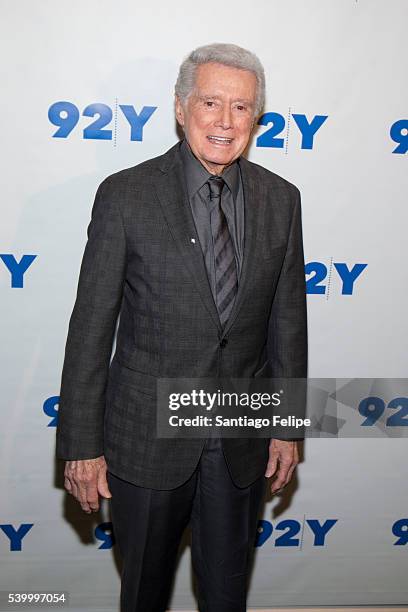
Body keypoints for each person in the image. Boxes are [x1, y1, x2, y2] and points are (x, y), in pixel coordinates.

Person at [56, 42, 308, 612]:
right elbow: (91, 330)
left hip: (240, 441)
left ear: (256, 117)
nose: (225, 121)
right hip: (147, 439)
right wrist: (81, 446)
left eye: (241, 108)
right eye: (211, 103)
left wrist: (289, 427)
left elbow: (288, 325)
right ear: (180, 107)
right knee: (143, 593)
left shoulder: (282, 200)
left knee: (226, 595)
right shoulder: (126, 195)